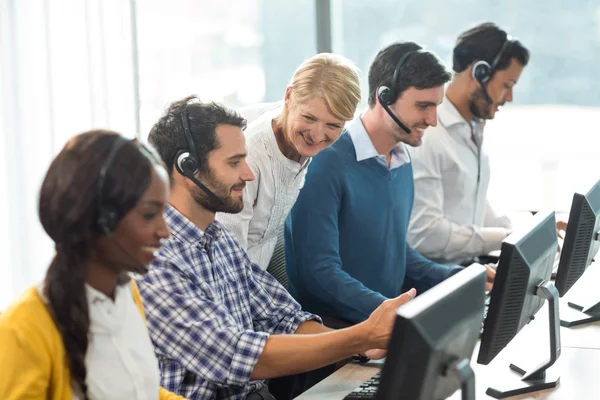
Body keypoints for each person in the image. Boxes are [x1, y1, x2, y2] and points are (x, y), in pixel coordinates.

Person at [137, 96, 416, 400]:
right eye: (234, 162)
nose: (249, 173)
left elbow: (283, 318)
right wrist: (360, 335)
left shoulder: (220, 240)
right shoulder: (152, 259)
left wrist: (363, 345)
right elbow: (233, 356)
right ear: (186, 168)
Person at [284, 42, 488, 326]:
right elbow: (318, 273)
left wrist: (459, 278)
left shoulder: (402, 160)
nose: (432, 120)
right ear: (384, 96)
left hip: (384, 328)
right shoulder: (326, 160)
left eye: (436, 107)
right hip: (338, 338)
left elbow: (393, 251)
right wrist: (397, 313)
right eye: (423, 106)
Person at [0, 131, 184, 400]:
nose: (165, 231)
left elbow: (139, 391)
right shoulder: (23, 330)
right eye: (149, 214)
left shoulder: (126, 294)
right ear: (100, 218)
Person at [216, 53, 361, 270]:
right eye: (309, 118)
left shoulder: (297, 136)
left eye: (333, 125)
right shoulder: (249, 158)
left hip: (258, 272)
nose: (317, 135)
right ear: (288, 96)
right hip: (229, 282)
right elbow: (227, 261)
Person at [406, 22, 532, 265]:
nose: (510, 97)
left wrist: (525, 233)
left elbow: (471, 200)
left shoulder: (473, 127)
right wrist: (504, 238)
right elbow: (425, 234)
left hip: (469, 270)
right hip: (435, 281)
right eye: (507, 85)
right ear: (479, 72)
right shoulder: (429, 135)